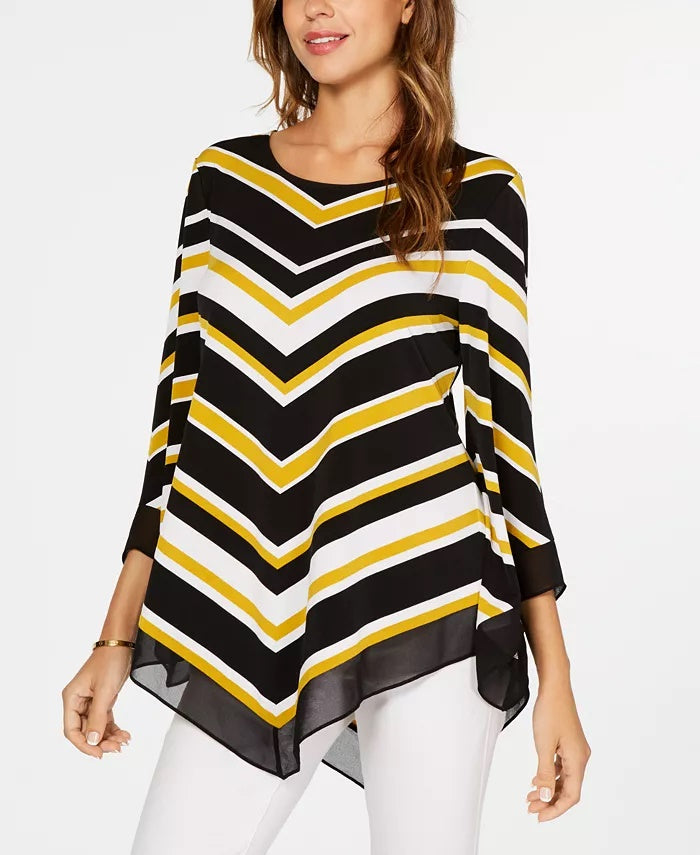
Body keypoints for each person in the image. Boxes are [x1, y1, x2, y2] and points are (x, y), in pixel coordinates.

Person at [62, 1, 591, 852]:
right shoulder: (224, 182)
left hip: (428, 600)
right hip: (247, 605)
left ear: (409, 5)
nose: (316, 6)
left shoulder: (476, 194)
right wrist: (115, 635)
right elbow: (179, 428)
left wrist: (556, 676)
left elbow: (505, 445)